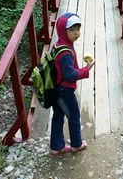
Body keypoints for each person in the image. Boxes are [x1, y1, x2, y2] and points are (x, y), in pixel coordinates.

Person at [50, 13, 95, 156]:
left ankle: (56, 147)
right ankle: (76, 144)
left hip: (56, 88)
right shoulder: (65, 53)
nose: (76, 33)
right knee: (74, 117)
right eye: (72, 30)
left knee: (58, 116)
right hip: (65, 91)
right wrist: (86, 69)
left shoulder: (59, 45)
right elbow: (70, 75)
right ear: (63, 30)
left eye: (78, 28)